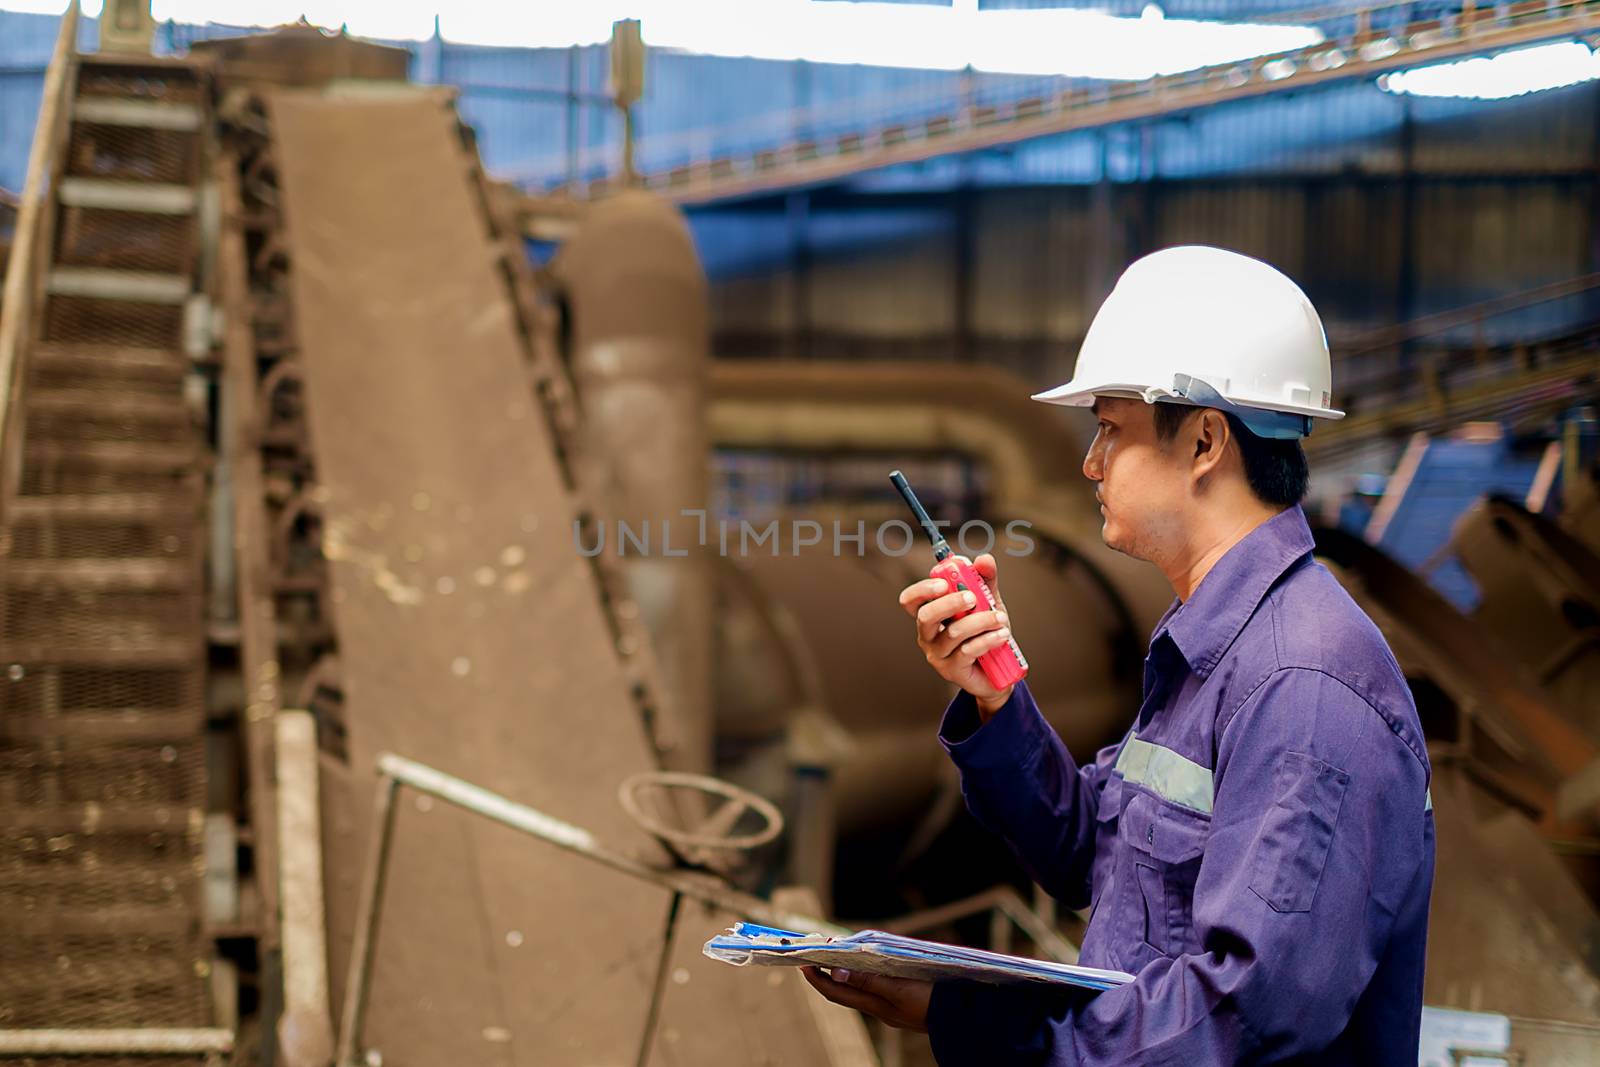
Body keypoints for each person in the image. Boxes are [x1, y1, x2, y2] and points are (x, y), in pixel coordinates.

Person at [801, 246, 1435, 1064]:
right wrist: (994, 696)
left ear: (1205, 441)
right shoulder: (1217, 645)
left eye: (1109, 428)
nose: (1089, 462)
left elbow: (1234, 1021)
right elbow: (1098, 853)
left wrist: (970, 1021)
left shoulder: (1303, 684)